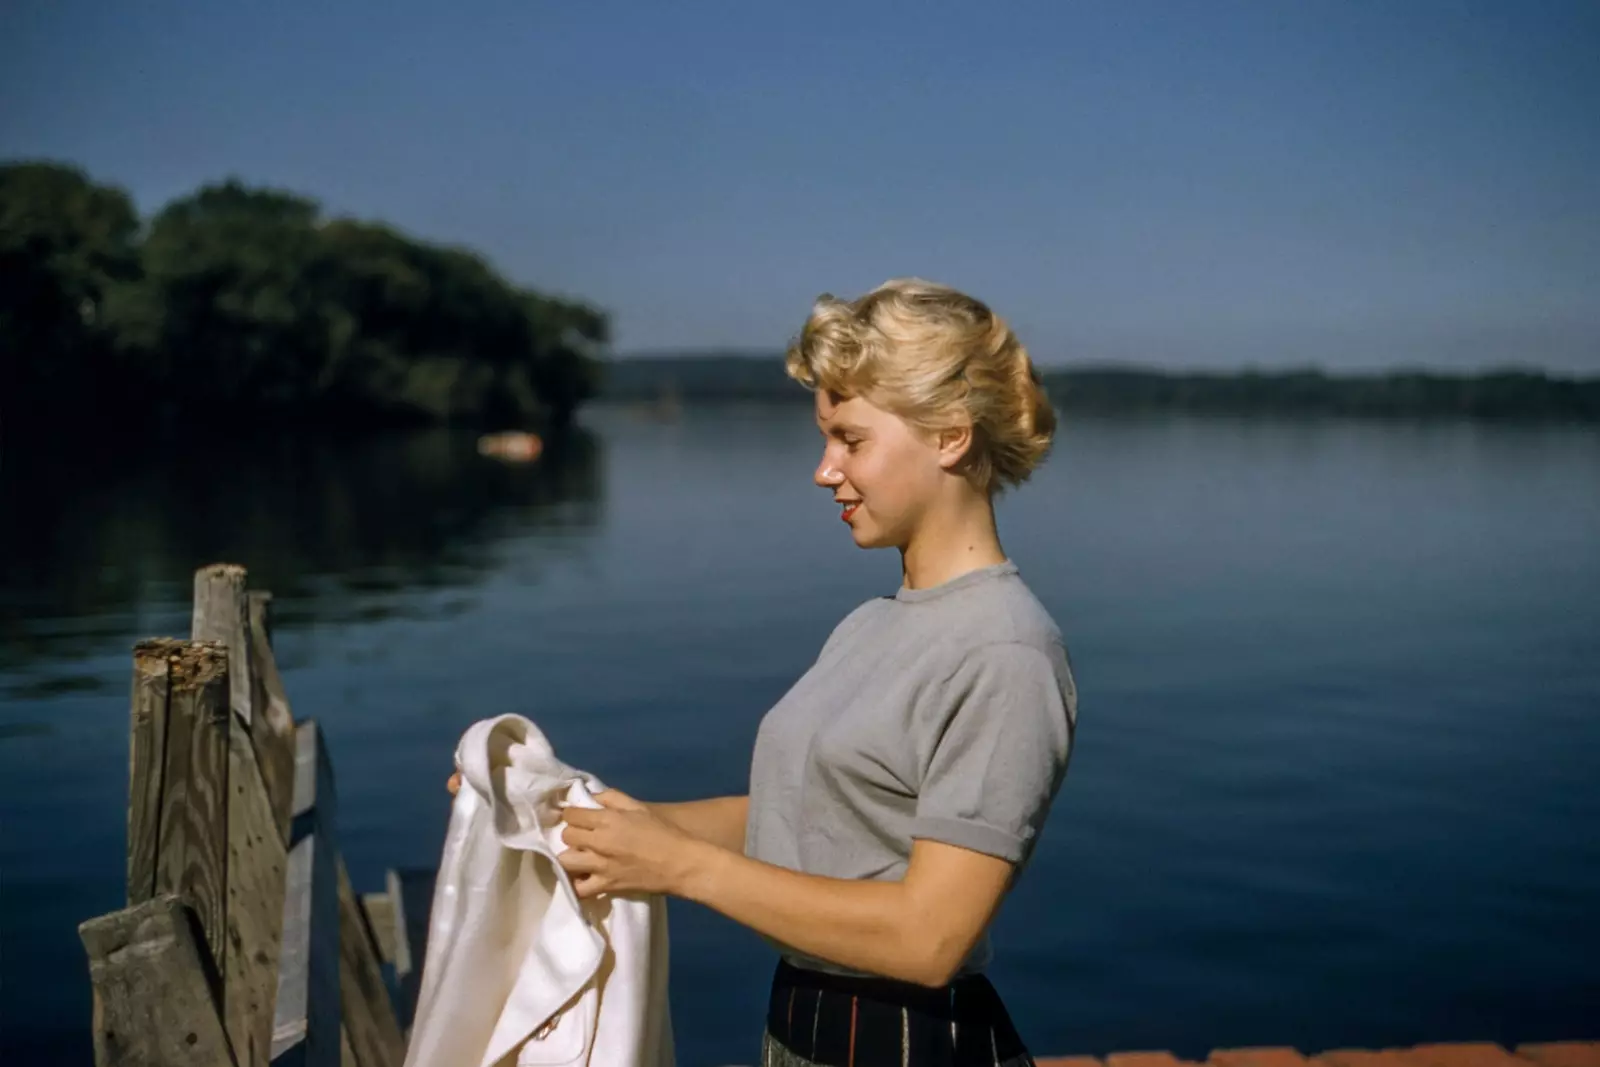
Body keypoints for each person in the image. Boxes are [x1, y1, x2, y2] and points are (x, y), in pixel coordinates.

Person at [448, 278, 1078, 1067]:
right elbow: (802, 817)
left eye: (851, 440)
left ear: (950, 436)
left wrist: (681, 867)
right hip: (801, 1033)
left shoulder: (1005, 650)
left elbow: (930, 938)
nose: (824, 470)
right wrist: (571, 810)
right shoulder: (875, 621)